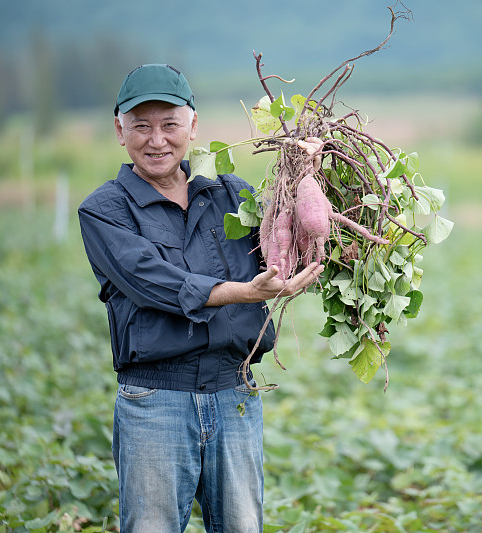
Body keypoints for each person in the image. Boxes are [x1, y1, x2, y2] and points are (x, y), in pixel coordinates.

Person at [78, 63, 323, 533]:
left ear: (193, 126)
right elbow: (152, 281)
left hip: (235, 393)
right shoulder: (104, 210)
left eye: (170, 124)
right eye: (141, 126)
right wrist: (246, 293)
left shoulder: (234, 194)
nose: (157, 140)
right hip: (156, 399)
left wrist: (304, 177)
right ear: (119, 130)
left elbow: (284, 245)